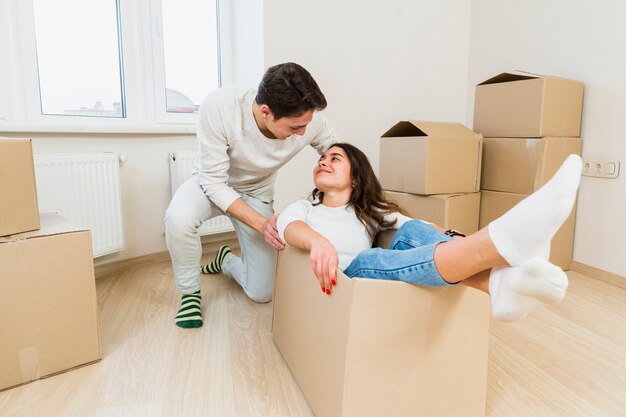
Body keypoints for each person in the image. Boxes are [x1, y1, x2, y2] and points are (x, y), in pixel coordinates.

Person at [275, 143, 582, 322]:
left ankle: (501, 282)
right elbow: (287, 226)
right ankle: (504, 248)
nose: (323, 162)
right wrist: (318, 242)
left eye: (334, 159)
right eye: (321, 160)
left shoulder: (368, 213)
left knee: (410, 228)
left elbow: (418, 229)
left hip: (377, 282)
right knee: (370, 258)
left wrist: (455, 238)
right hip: (343, 280)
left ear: (356, 178)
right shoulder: (306, 208)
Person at [165, 63, 339, 328]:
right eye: (294, 128)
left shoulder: (309, 122)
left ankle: (224, 260)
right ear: (266, 112)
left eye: (306, 124)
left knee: (262, 293)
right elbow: (213, 182)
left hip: (257, 191)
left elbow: (340, 156)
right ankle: (189, 294)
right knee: (178, 219)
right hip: (209, 185)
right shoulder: (220, 107)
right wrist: (262, 224)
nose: (303, 133)